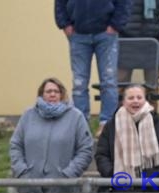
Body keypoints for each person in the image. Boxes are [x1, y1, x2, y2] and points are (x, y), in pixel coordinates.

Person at [54, 0, 132, 134]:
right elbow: (60, 3)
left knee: (108, 82)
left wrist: (115, 25)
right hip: (78, 35)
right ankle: (81, 125)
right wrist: (65, 25)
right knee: (79, 84)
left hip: (106, 34)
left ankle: (107, 124)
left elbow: (125, 3)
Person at [118, 0, 159, 108]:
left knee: (152, 86)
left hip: (152, 44)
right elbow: (115, 9)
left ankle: (152, 119)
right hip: (126, 43)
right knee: (120, 86)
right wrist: (123, 27)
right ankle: (119, 120)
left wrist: (157, 30)